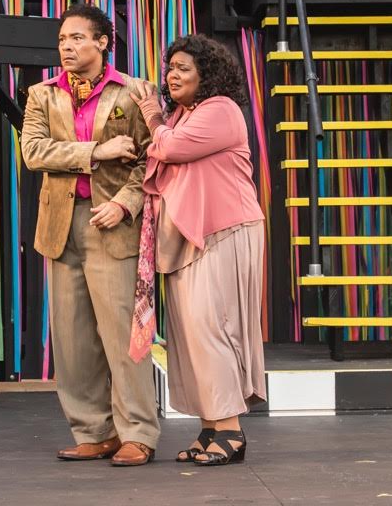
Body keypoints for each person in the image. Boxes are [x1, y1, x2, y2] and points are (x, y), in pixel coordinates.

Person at [21, 3, 160, 466]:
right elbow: (34, 152)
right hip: (60, 226)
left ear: (103, 42)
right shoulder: (42, 94)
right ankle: (93, 430)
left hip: (113, 222)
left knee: (122, 334)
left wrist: (125, 203)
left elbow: (150, 161)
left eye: (77, 38)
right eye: (62, 39)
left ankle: (137, 431)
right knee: (73, 338)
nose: (67, 47)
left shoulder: (135, 91)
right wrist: (97, 150)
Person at [131, 34, 266, 466]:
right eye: (169, 68)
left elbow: (168, 148)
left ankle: (231, 432)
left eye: (183, 68)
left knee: (214, 327)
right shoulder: (185, 114)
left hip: (223, 231)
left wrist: (153, 118)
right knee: (189, 337)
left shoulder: (221, 110)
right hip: (191, 238)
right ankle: (210, 427)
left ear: (207, 75)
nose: (171, 75)